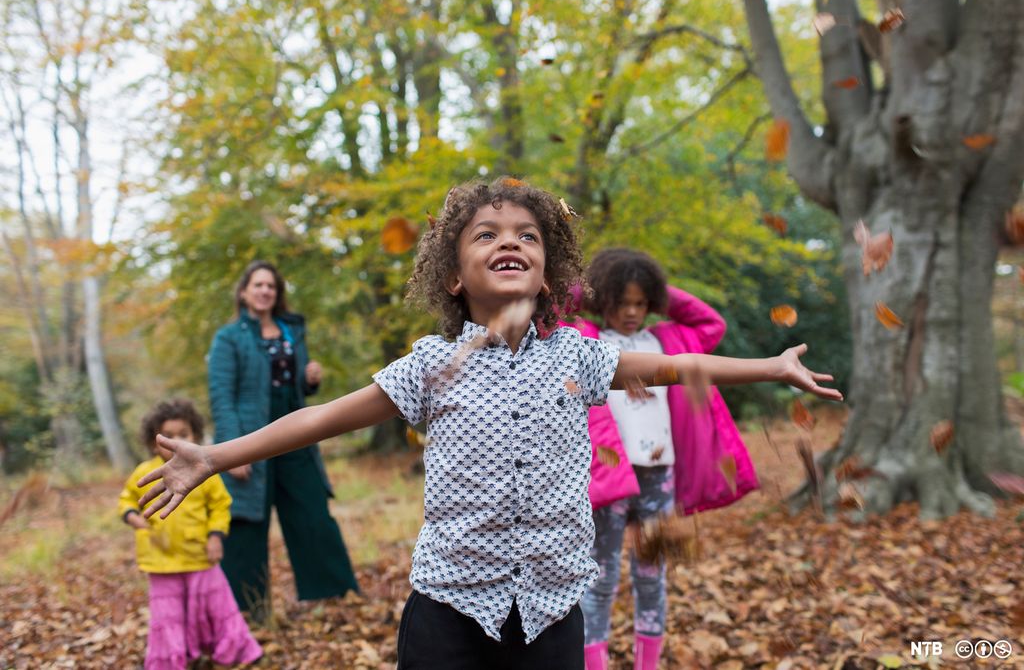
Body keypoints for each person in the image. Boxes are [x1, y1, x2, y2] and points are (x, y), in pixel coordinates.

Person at [137, 179, 842, 670]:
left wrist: (772, 368)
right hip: (450, 609)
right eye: (488, 235)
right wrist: (213, 455)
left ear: (546, 273)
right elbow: (322, 417)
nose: (512, 242)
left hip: (551, 610)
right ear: (452, 275)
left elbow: (676, 368)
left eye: (528, 237)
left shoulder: (579, 354)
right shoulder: (428, 366)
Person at [569, 248, 758, 670]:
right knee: (599, 579)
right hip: (611, 477)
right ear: (605, 302)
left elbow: (712, 323)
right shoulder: (584, 338)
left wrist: (653, 287)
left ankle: (646, 665)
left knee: (651, 576)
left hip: (660, 477)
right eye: (623, 303)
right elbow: (557, 306)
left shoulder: (670, 340)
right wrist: (605, 285)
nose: (632, 312)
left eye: (641, 302)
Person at [208, 261, 358, 621]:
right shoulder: (229, 338)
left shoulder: (291, 331)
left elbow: (294, 389)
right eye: (257, 285)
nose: (264, 291)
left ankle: (332, 594)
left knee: (311, 510)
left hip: (295, 435)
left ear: (277, 294)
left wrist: (310, 381)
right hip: (249, 439)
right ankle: (246, 609)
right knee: (246, 521)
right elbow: (221, 397)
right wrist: (231, 451)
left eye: (270, 286)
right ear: (244, 292)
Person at [118, 398, 262, 669]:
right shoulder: (144, 472)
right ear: (152, 442)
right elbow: (127, 498)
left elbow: (221, 504)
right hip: (161, 559)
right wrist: (132, 516)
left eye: (183, 435)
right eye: (167, 436)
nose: (176, 441)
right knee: (168, 615)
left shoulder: (204, 471)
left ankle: (230, 651)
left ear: (195, 436)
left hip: (200, 556)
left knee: (215, 608)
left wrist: (216, 536)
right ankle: (174, 660)